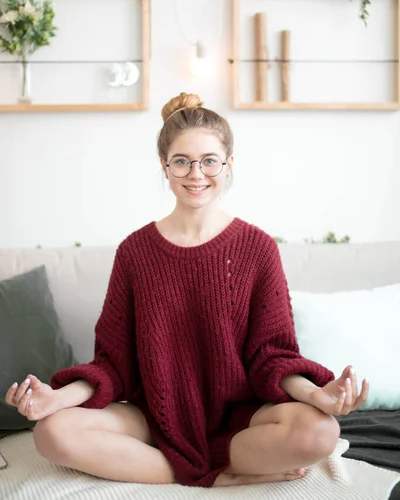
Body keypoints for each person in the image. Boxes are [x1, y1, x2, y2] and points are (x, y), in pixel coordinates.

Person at [5, 93, 369, 488]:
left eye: (209, 160)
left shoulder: (258, 248)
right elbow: (113, 362)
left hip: (241, 417)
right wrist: (55, 400)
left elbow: (272, 356)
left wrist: (318, 397)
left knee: (320, 432)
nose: (196, 174)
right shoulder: (135, 252)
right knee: (51, 432)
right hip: (152, 415)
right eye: (182, 161)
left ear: (229, 164)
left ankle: (191, 464)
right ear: (164, 167)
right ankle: (216, 474)